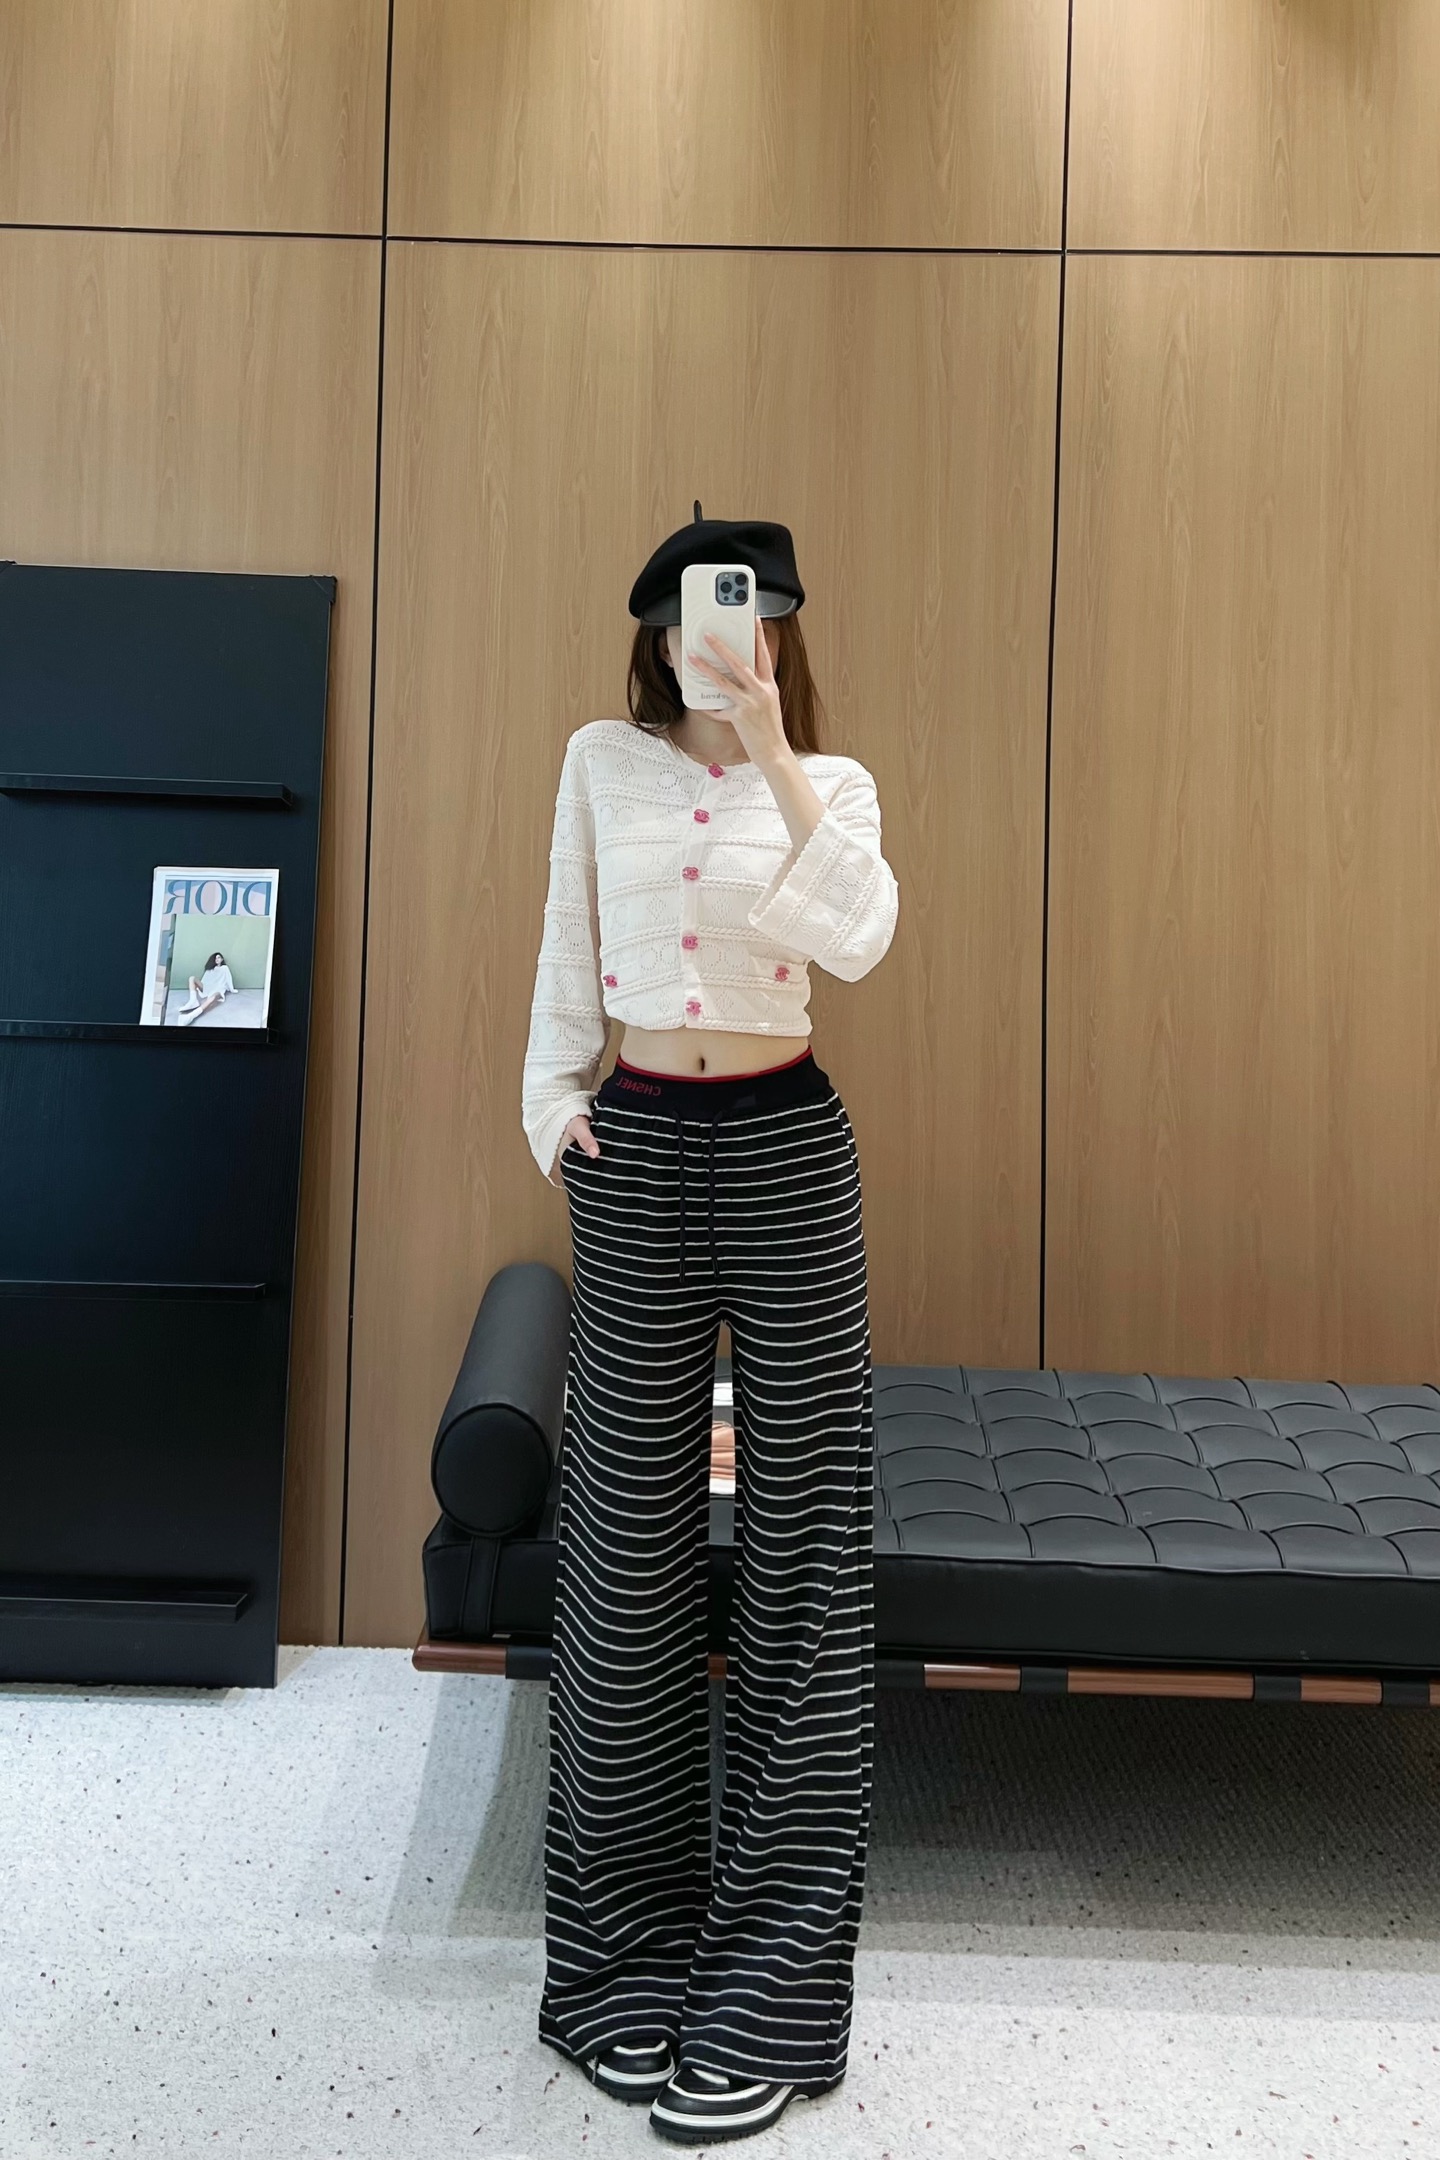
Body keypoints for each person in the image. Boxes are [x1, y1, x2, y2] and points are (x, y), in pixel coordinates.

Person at [521, 507, 900, 2145]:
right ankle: (617, 1967)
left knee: (809, 1553)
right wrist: (553, 1110)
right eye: (688, 614)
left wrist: (774, 750)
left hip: (790, 1146)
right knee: (623, 1553)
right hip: (638, 1150)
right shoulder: (597, 763)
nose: (712, 636)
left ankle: (767, 1993)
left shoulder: (834, 785)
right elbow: (565, 949)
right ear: (654, 630)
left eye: (741, 613)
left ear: (778, 629)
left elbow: (857, 940)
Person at [177, 951, 235, 1026]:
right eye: (215, 958)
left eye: (219, 957)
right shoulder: (210, 969)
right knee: (192, 978)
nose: (217, 959)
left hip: (218, 989)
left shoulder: (225, 968)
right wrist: (200, 987)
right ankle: (193, 1001)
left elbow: (228, 979)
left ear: (222, 959)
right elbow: (205, 980)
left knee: (214, 997)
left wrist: (232, 989)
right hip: (208, 988)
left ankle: (191, 1016)